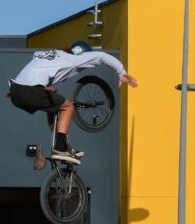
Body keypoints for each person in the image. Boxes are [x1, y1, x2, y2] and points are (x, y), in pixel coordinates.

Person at [8, 41, 138, 164]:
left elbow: (35, 71)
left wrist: (43, 87)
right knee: (68, 107)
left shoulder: (49, 54)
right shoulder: (73, 59)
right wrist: (121, 71)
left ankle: (61, 144)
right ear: (82, 54)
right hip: (30, 91)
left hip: (14, 92)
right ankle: (60, 148)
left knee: (54, 106)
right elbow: (102, 56)